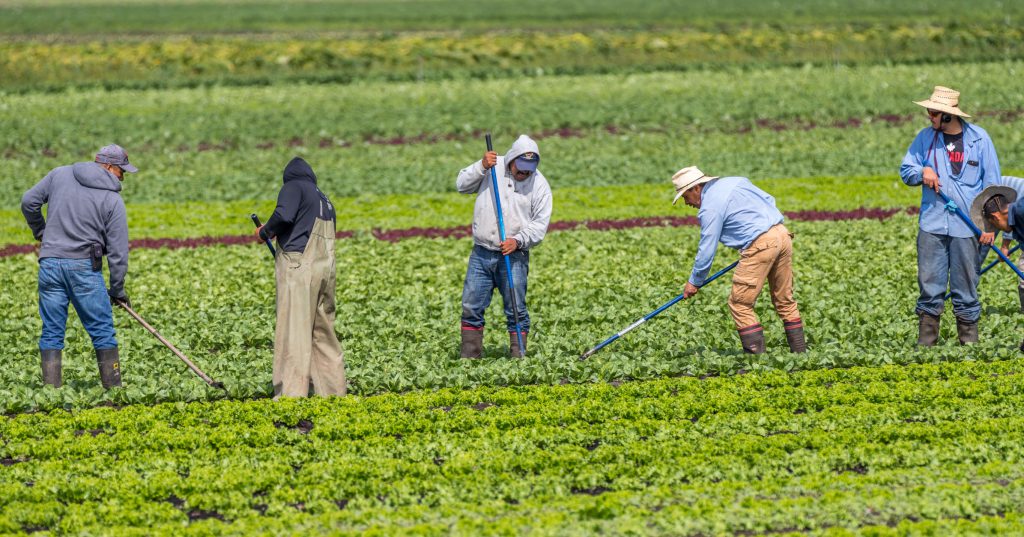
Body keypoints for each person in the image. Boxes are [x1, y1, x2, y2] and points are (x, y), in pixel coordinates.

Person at [21, 144, 136, 389]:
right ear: (107, 166)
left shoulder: (59, 174)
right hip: (83, 268)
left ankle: (50, 393)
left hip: (49, 265)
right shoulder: (113, 200)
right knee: (102, 330)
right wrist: (117, 290)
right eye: (121, 170)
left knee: (52, 330)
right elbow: (118, 254)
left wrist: (41, 232)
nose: (123, 176)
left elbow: (28, 201)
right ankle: (115, 392)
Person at [900, 86, 1001, 346]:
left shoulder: (980, 139)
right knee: (930, 286)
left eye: (933, 112)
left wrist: (988, 225)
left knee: (965, 288)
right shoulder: (925, 139)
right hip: (932, 224)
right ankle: (926, 346)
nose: (929, 116)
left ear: (948, 115)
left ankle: (969, 347)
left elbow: (992, 186)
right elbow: (906, 170)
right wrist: (923, 171)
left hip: (968, 227)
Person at [673, 166, 805, 354]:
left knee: (740, 304)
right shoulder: (736, 181)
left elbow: (707, 248)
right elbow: (769, 200)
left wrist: (694, 281)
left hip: (761, 244)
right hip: (783, 234)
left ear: (695, 188)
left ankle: (756, 363)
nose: (687, 203)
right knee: (784, 299)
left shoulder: (710, 206)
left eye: (685, 197)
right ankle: (801, 355)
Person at [256, 157, 346, 398]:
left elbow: (284, 216)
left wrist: (265, 231)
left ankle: (291, 395)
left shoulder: (293, 187)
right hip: (325, 269)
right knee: (323, 332)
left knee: (293, 330)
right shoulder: (325, 200)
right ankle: (332, 392)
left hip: (299, 267)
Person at [456, 135, 552, 358]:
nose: (524, 173)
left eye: (529, 168)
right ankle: (469, 359)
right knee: (471, 306)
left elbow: (540, 225)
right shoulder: (492, 167)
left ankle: (519, 359)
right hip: (481, 253)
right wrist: (480, 166)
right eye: (521, 168)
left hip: (514, 255)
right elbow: (461, 185)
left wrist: (517, 241)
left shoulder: (539, 185)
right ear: (511, 159)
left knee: (516, 310)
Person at [972, 184, 1024, 350]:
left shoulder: (1022, 211)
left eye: (993, 226)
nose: (996, 231)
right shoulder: (1016, 219)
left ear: (995, 217)